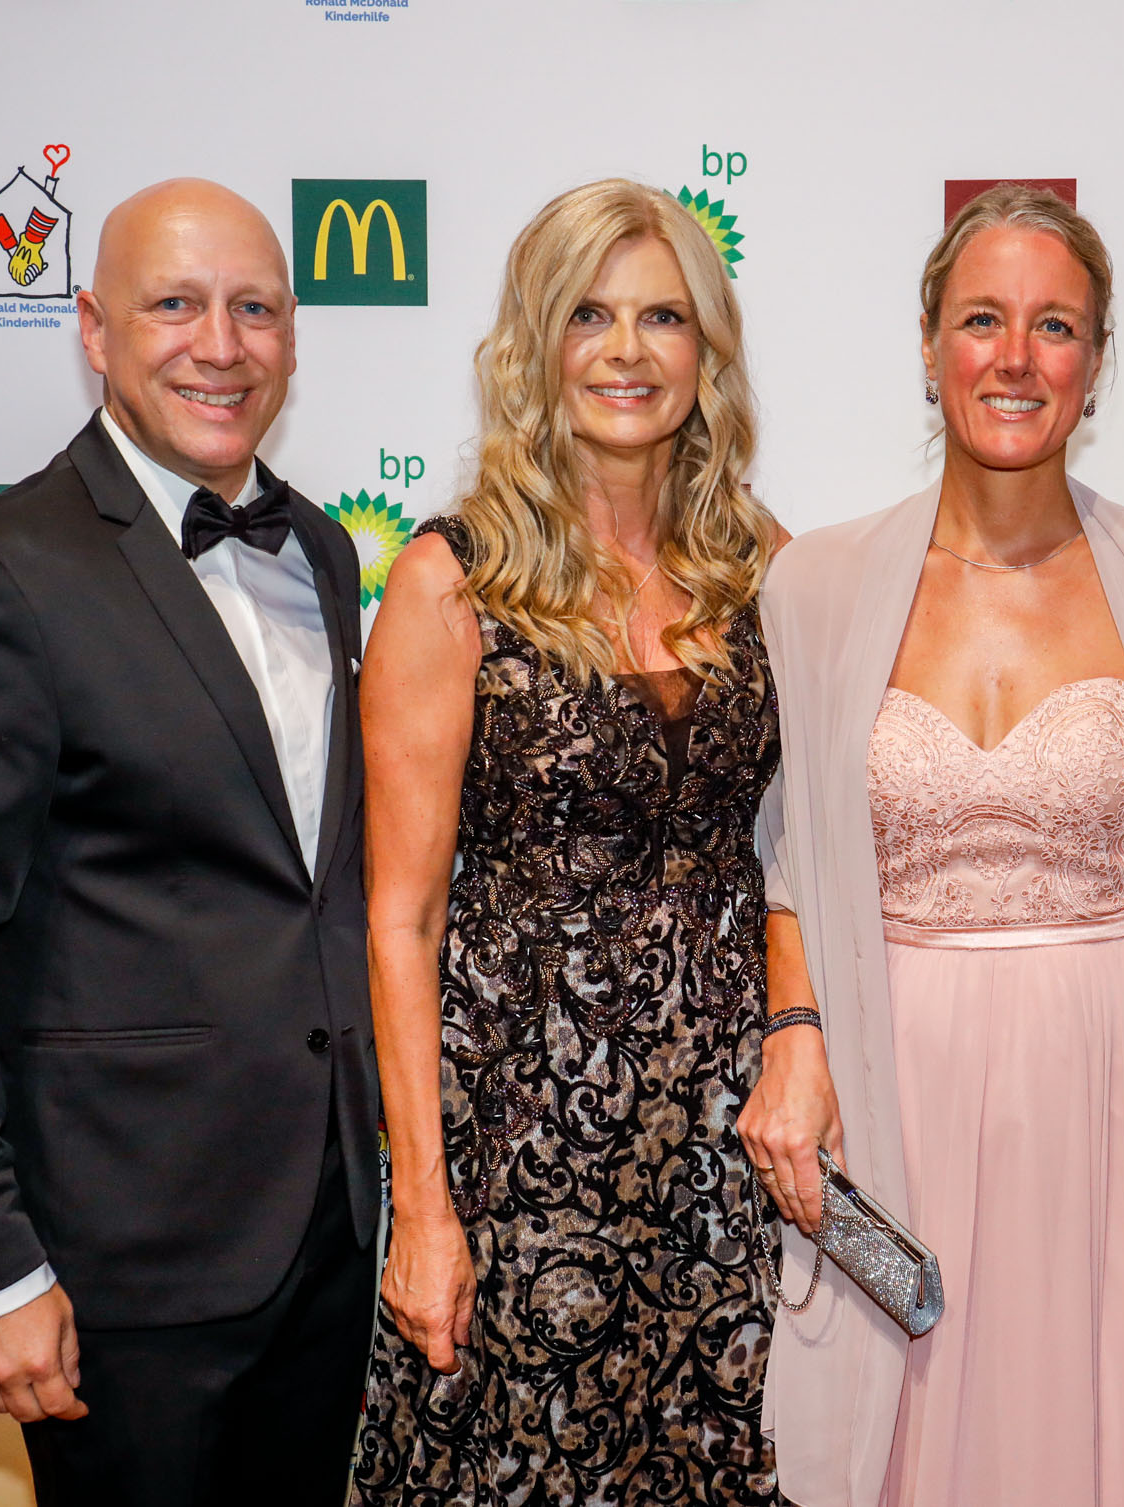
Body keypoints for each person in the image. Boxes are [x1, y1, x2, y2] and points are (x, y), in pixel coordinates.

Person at [0, 179, 381, 1504]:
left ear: (293, 337)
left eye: (255, 309)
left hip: (327, 1236)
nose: (221, 345)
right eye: (174, 305)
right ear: (92, 329)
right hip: (117, 1268)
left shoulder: (320, 549)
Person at [745, 183, 1124, 1507]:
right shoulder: (814, 585)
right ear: (930, 346)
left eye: (1057, 326)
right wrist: (796, 1032)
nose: (1016, 358)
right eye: (982, 320)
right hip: (895, 1083)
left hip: (1122, 1090)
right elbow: (792, 846)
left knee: (1112, 1420)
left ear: (1096, 362)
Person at [349, 179, 785, 1506]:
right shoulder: (453, 581)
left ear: (706, 349)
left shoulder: (761, 566)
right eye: (589, 314)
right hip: (527, 1142)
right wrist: (425, 1208)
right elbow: (402, 919)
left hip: (724, 1137)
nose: (627, 350)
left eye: (664, 316)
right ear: (536, 343)